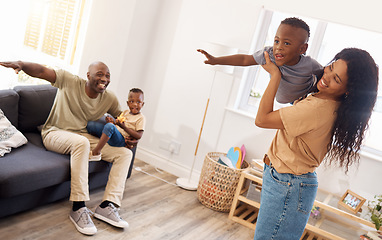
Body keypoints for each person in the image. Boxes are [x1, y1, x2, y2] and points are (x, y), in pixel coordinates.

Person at [253, 48, 378, 239]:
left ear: (348, 90)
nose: (326, 76)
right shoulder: (327, 100)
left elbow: (262, 119)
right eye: (330, 67)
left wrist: (275, 75)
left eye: (336, 79)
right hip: (289, 182)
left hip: (287, 184)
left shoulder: (317, 108)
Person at [0, 60, 133, 235]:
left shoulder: (109, 97)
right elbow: (41, 70)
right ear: (88, 76)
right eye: (99, 74)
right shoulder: (69, 81)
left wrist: (130, 133)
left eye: (107, 75)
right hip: (54, 133)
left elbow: (122, 117)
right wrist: (22, 65)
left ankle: (108, 205)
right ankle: (78, 207)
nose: (104, 79)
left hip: (81, 135)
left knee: (124, 154)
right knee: (81, 143)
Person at [198, 17, 323, 104]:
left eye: (286, 43)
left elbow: (325, 74)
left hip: (302, 97)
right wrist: (216, 60)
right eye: (276, 41)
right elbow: (244, 60)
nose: (278, 47)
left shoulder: (310, 64)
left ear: (302, 49)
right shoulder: (268, 54)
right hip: (285, 99)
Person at [86, 88, 146, 160]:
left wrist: (124, 127)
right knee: (91, 125)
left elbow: (139, 135)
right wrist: (113, 123)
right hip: (115, 134)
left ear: (142, 104)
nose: (135, 104)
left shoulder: (141, 118)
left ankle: (96, 152)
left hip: (122, 140)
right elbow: (118, 125)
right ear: (128, 103)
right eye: (132, 101)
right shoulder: (125, 112)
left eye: (138, 102)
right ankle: (104, 138)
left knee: (109, 127)